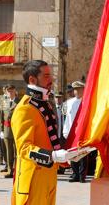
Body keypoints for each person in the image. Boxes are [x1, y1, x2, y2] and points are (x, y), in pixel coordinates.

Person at [12, 60, 75, 205]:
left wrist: (67, 157)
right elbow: (24, 149)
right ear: (32, 80)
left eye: (50, 75)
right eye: (46, 76)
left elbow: (50, 138)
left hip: (49, 175)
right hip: (33, 179)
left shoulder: (44, 103)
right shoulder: (25, 108)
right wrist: (52, 156)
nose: (51, 80)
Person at [62, 80, 86, 182]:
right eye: (75, 90)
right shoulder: (69, 102)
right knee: (73, 153)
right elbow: (67, 118)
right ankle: (75, 173)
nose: (76, 92)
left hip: (82, 132)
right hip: (72, 132)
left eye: (78, 89)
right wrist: (66, 131)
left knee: (83, 154)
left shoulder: (87, 101)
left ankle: (82, 175)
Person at [0, 84, 19, 178]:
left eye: (12, 91)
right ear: (6, 92)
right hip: (6, 129)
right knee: (8, 151)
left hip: (17, 129)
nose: (10, 93)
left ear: (15, 91)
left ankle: (17, 170)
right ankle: (10, 170)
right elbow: (0, 116)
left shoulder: (20, 102)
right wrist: (0, 130)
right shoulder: (3, 102)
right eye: (8, 91)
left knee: (17, 151)